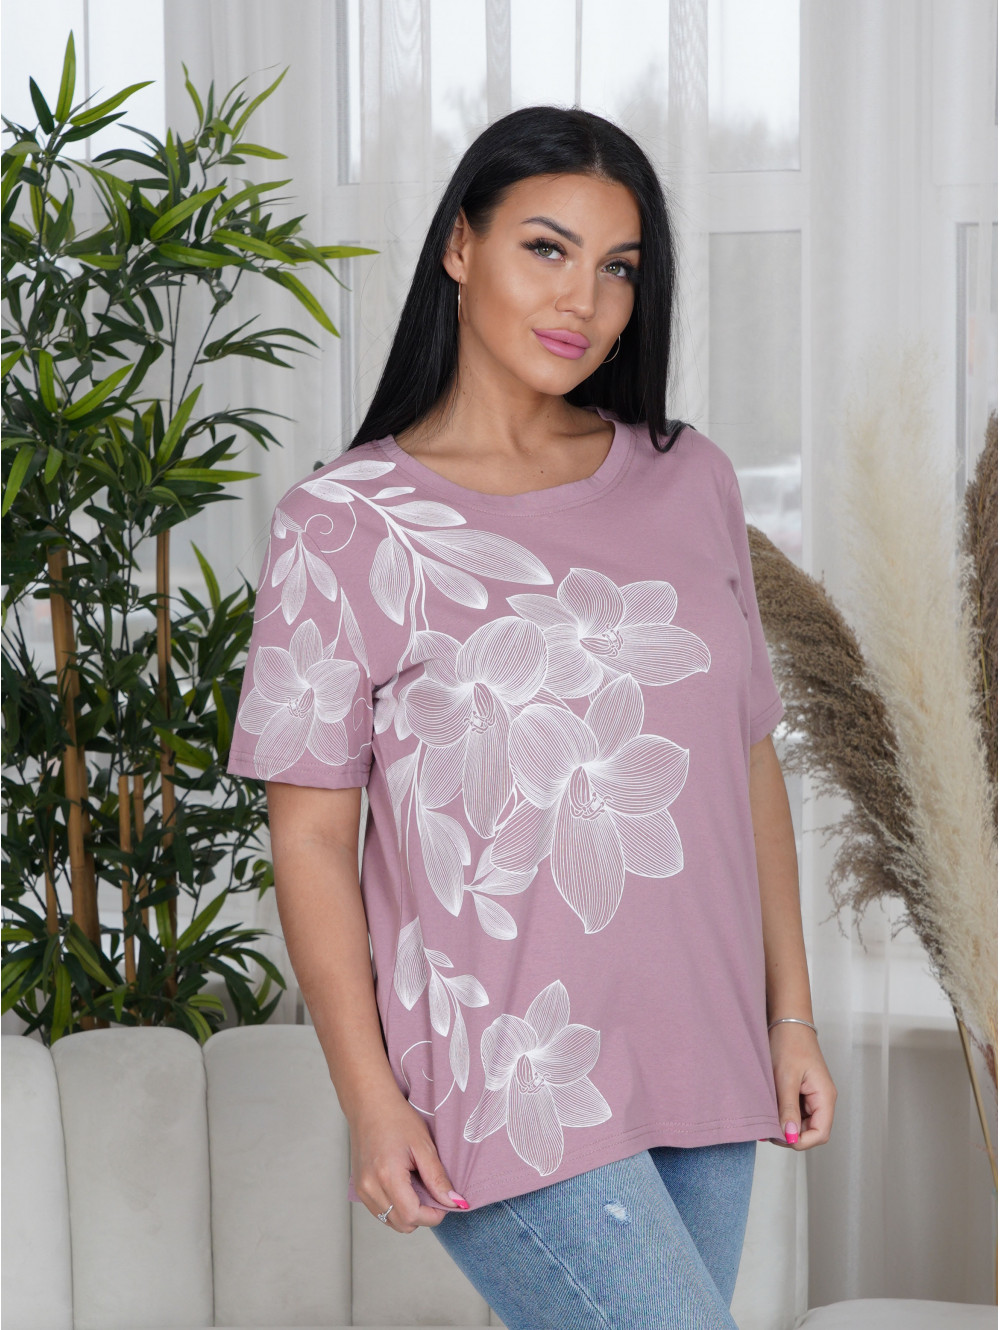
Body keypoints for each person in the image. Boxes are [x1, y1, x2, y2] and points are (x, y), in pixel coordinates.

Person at [227, 104, 837, 1330]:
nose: (584, 301)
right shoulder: (342, 525)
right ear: (461, 246)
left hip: (703, 1044)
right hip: (508, 1075)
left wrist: (790, 1015)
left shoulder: (690, 477)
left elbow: (745, 760)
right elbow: (311, 838)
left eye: (618, 268)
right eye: (546, 249)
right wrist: (369, 1097)